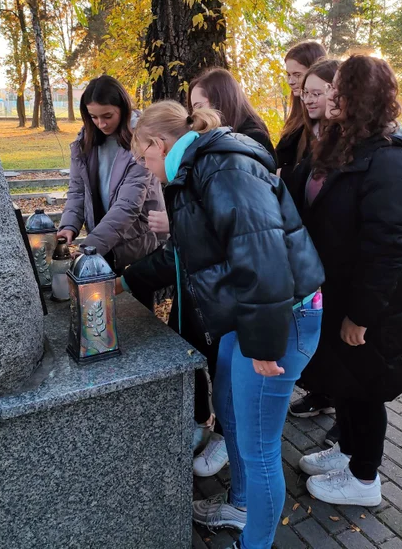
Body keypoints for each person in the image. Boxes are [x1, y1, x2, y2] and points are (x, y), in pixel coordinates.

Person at [116, 100, 324, 549]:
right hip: (257, 316)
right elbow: (189, 253)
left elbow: (263, 257)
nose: (148, 171)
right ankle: (243, 502)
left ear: (158, 143)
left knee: (259, 446)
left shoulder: (221, 169)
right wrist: (126, 281)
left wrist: (264, 345)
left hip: (281, 317)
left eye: (145, 158)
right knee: (229, 407)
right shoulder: (196, 172)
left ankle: (254, 539)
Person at [291, 55, 402, 506]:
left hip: (368, 306)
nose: (327, 99)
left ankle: (365, 479)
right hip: (337, 291)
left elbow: (389, 248)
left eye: (336, 93)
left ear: (359, 99)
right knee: (346, 381)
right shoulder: (344, 143)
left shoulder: (390, 160)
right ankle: (347, 451)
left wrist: (361, 315)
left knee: (367, 388)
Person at [148, 67, 277, 479]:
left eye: (200, 106)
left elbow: (257, 249)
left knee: (255, 440)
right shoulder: (205, 160)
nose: (194, 114)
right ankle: (238, 488)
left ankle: (244, 510)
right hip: (232, 299)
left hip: (250, 306)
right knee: (228, 391)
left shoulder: (224, 159)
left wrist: (262, 341)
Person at [57, 75, 165, 273]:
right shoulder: (84, 142)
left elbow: (128, 205)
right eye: (93, 117)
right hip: (101, 242)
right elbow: (78, 191)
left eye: (107, 116)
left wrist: (90, 247)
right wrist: (69, 225)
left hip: (137, 246)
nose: (101, 124)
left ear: (123, 109)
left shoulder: (141, 141)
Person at [285, 58, 341, 427]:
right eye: (304, 92)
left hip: (334, 255)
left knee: (340, 337)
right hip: (313, 250)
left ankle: (346, 427)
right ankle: (322, 394)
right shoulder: (310, 132)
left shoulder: (342, 141)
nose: (306, 98)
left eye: (316, 92)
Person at [275, 40, 326, 180]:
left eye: (297, 75)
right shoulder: (297, 113)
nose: (291, 81)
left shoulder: (322, 117)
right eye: (288, 75)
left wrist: (281, 174)